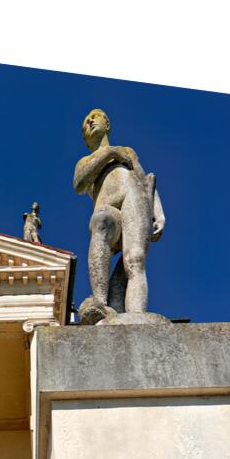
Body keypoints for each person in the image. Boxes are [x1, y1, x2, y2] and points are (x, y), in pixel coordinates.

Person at [73, 109, 165, 322]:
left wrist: (158, 213)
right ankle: (100, 302)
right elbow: (79, 184)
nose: (90, 122)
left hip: (133, 196)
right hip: (107, 202)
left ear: (107, 124)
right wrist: (109, 153)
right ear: (86, 141)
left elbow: (144, 179)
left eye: (94, 117)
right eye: (85, 123)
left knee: (135, 259)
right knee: (101, 221)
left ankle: (136, 316)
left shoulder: (128, 152)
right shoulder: (87, 160)